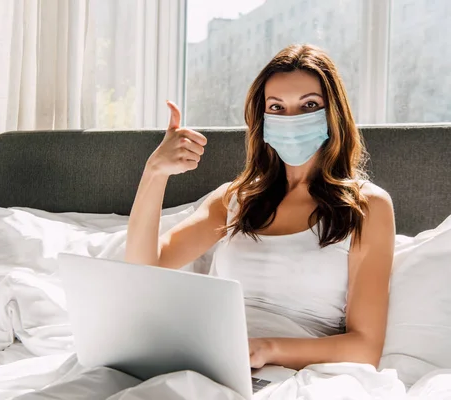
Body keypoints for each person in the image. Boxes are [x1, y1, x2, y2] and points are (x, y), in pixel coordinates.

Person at [124, 44, 395, 371]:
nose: (291, 118)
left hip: (292, 373)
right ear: (262, 120)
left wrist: (266, 350)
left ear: (333, 114)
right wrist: (154, 172)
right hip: (209, 359)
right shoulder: (235, 198)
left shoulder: (368, 206)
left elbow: (365, 347)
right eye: (277, 107)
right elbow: (142, 270)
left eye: (309, 105)